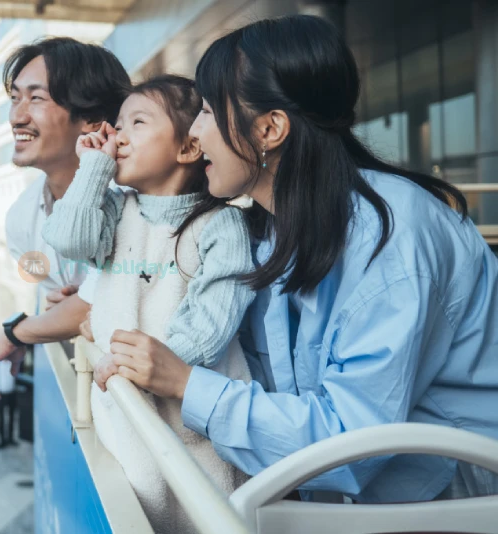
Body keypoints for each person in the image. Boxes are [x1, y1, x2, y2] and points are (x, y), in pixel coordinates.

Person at [99, 15, 498, 504]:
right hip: (354, 498)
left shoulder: (392, 239)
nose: (196, 132)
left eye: (207, 111)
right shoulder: (273, 225)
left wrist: (185, 384)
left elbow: (352, 445)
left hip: (452, 503)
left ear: (270, 128)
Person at [42, 75, 254, 533]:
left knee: (199, 509)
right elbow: (68, 239)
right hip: (122, 407)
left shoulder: (221, 225)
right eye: (117, 124)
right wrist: (93, 169)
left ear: (189, 147)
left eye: (137, 123)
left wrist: (137, 363)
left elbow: (211, 326)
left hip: (189, 418)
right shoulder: (117, 209)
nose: (118, 135)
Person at [0, 37, 131, 400]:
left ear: (91, 119)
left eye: (36, 98)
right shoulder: (20, 220)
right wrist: (56, 315)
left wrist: (17, 333)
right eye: (15, 98)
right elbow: (66, 309)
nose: (17, 116)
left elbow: (99, 302)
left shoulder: (136, 196)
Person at [0, 359, 18, 449]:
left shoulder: (13, 362)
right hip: (0, 394)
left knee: (12, 416)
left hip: (12, 393)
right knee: (1, 418)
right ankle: (2, 440)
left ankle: (11, 438)